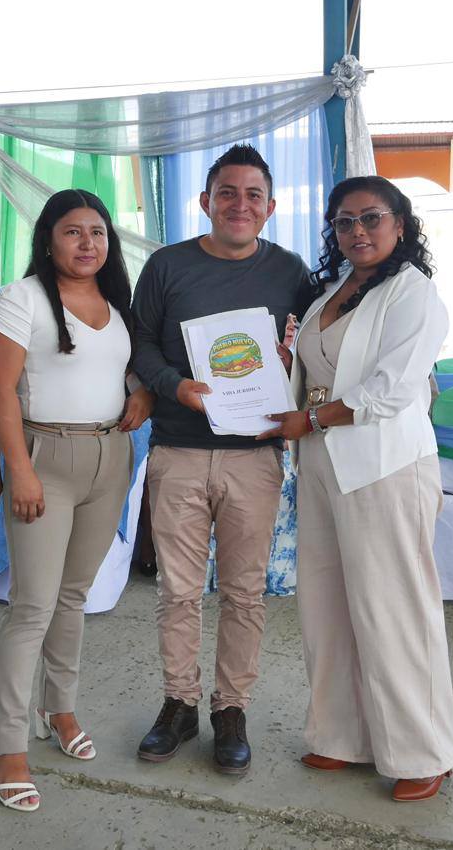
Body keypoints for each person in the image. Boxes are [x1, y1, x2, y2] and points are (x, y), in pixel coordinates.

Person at [257, 176, 453, 802]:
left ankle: (423, 750)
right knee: (327, 604)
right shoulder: (331, 291)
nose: (357, 231)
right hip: (321, 459)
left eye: (372, 217)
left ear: (400, 224)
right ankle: (342, 735)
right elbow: (318, 370)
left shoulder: (413, 291)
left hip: (384, 463)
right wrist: (282, 372)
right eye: (344, 222)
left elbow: (392, 388)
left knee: (394, 608)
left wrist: (311, 418)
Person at [130, 144, 310, 774]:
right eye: (227, 193)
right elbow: (140, 342)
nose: (239, 204)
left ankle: (231, 709)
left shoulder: (290, 272)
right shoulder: (167, 265)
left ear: (270, 207)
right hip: (178, 449)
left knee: (244, 594)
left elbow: (309, 349)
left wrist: (289, 363)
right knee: (178, 592)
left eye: (253, 195)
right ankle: (178, 703)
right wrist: (172, 385)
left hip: (254, 456)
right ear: (205, 201)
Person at [0, 189, 154, 812]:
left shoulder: (117, 303)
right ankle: (7, 746)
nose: (88, 243)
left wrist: (141, 390)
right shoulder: (21, 299)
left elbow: (123, 365)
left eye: (98, 232)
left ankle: (59, 710)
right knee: (32, 606)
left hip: (111, 457)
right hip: (45, 460)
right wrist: (18, 469)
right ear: (48, 239)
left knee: (73, 597)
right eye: (73, 231)